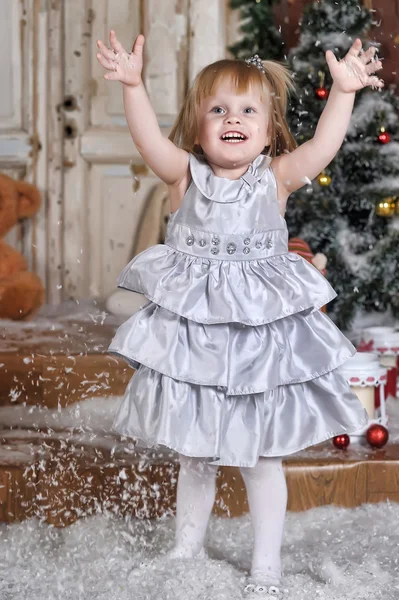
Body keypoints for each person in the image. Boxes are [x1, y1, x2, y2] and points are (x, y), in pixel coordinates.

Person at [96, 31, 383, 597]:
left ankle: (266, 565)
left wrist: (344, 93)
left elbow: (324, 148)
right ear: (198, 126)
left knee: (261, 460)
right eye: (218, 110)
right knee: (195, 452)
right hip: (197, 347)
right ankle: (186, 546)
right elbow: (148, 138)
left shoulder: (274, 177)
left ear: (269, 126)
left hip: (258, 350)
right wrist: (132, 85)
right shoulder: (184, 176)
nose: (233, 118)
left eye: (248, 110)